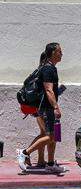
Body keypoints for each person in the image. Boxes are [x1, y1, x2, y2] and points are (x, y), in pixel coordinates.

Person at [16, 42, 65, 173]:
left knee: (53, 136)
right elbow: (49, 90)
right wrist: (55, 107)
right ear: (53, 53)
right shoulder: (48, 69)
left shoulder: (50, 68)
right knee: (50, 136)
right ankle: (25, 152)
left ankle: (50, 164)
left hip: (48, 107)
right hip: (47, 108)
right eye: (60, 51)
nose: (62, 54)